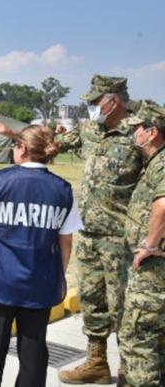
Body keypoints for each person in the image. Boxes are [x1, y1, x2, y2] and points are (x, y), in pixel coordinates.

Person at [0, 74, 143, 384]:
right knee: (92, 301)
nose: (92, 108)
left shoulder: (139, 133)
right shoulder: (88, 131)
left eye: (96, 102)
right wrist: (14, 134)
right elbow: (47, 146)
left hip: (122, 238)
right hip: (87, 234)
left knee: (124, 308)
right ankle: (97, 363)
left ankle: (130, 373)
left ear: (114, 100)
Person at [0, 124, 82, 387]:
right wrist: (59, 276)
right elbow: (66, 240)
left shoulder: (0, 180)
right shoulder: (62, 189)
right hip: (40, 282)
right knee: (33, 353)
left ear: (23, 149)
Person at [117, 102, 165, 387]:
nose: (134, 133)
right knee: (156, 339)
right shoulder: (153, 163)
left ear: (152, 132)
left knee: (138, 339)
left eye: (138, 128)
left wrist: (149, 244)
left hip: (153, 270)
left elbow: (162, 206)